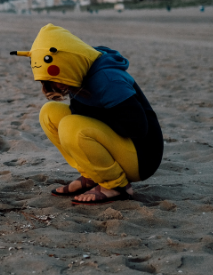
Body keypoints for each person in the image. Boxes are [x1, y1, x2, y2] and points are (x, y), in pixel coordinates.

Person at [11, 24, 163, 205]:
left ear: (68, 61)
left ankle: (116, 186)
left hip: (141, 155)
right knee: (49, 112)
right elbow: (79, 112)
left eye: (56, 79)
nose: (57, 86)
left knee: (72, 126)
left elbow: (137, 127)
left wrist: (92, 118)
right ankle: (92, 175)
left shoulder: (108, 79)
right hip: (120, 144)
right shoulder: (78, 73)